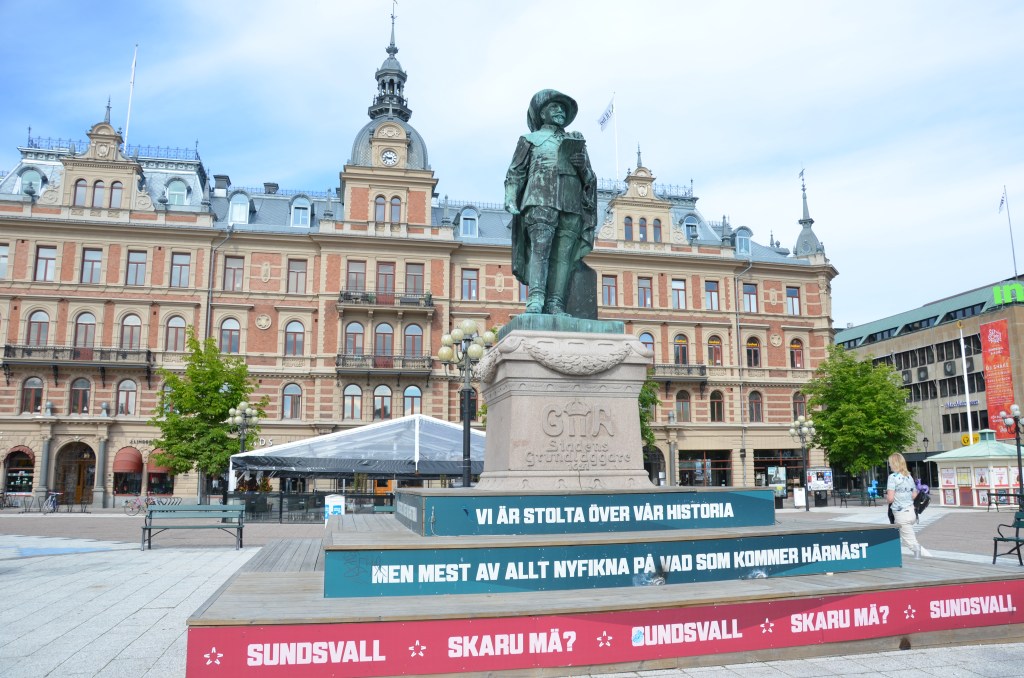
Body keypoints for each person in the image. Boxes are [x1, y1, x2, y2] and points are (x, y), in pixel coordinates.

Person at [505, 89, 597, 316]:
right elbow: (516, 171)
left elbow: (590, 179)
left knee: (563, 256)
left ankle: (556, 303)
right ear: (541, 113)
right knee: (541, 249)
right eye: (554, 107)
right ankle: (536, 299)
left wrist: (583, 167)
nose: (560, 111)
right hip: (540, 198)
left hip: (571, 202)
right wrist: (510, 197)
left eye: (563, 108)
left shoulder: (575, 141)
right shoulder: (529, 140)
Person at [886, 452, 925, 559]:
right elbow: (914, 495)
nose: (889, 465)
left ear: (894, 463)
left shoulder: (892, 477)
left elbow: (890, 498)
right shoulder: (908, 476)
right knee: (901, 536)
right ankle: (894, 556)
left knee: (911, 542)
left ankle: (925, 559)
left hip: (901, 514)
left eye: (890, 463)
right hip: (911, 512)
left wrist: (887, 497)